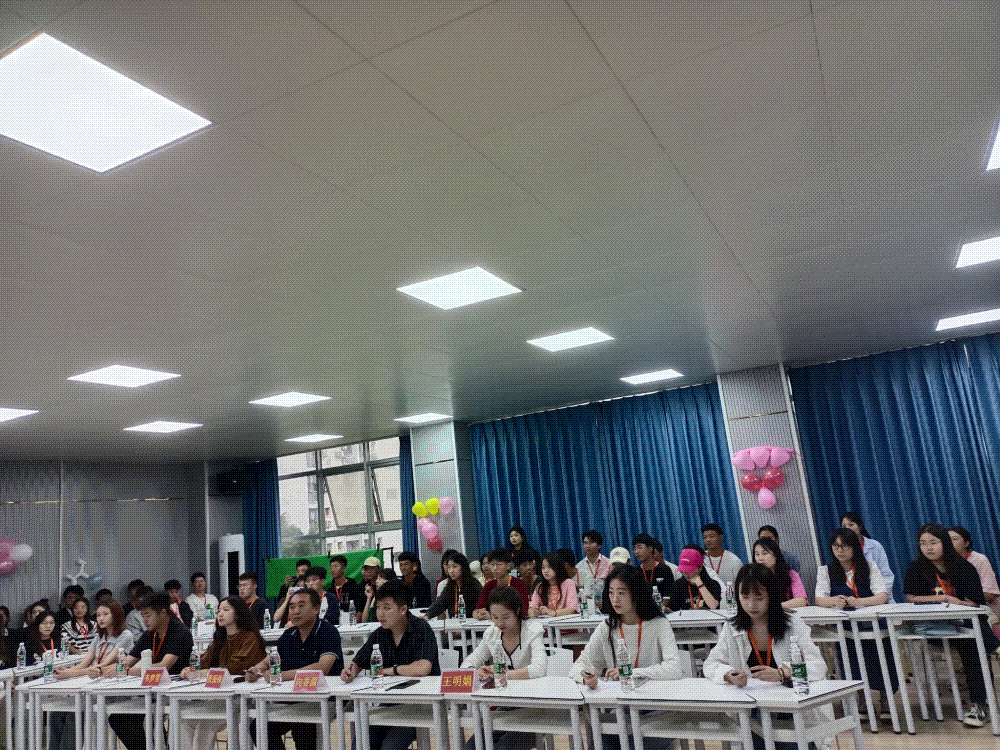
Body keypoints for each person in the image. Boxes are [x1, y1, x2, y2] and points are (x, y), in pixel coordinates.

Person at [704, 564, 829, 750]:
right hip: (752, 713)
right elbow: (711, 664)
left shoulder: (792, 623)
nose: (751, 605)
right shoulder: (732, 627)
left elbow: (818, 666)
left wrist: (783, 673)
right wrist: (728, 674)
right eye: (745, 597)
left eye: (759, 597)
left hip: (790, 712)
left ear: (771, 595)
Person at [569, 564, 683, 749]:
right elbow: (580, 664)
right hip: (622, 710)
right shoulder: (607, 627)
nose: (615, 599)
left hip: (657, 709)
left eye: (621, 593)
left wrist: (631, 673)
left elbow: (674, 668)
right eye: (611, 592)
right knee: (600, 738)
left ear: (636, 593)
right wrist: (585, 677)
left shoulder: (658, 624)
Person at [904, 523, 1000, 727]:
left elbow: (975, 603)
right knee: (975, 637)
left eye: (933, 542)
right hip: (932, 627)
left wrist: (960, 604)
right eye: (923, 543)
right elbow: (911, 597)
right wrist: (942, 598)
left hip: (962, 625)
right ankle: (995, 647)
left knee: (972, 641)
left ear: (945, 543)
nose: (928, 548)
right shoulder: (916, 567)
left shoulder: (964, 566)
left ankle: (980, 704)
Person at [342, 580, 441, 750]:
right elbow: (358, 661)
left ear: (403, 610)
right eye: (378, 607)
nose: (380, 614)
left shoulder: (421, 628)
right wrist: (350, 671)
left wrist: (391, 670)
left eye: (387, 608)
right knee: (361, 743)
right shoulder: (379, 634)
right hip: (390, 702)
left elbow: (423, 667)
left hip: (421, 703)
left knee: (390, 747)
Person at [246, 588, 342, 750]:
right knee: (259, 727)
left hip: (323, 698)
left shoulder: (328, 631)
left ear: (316, 609)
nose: (295, 611)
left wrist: (282, 675)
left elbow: (322, 668)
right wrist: (256, 670)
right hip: (294, 698)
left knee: (302, 727)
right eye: (292, 607)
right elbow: (268, 661)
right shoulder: (289, 634)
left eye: (301, 606)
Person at [815, 528, 897, 704]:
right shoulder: (825, 570)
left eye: (845, 546)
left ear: (854, 547)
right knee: (851, 661)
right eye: (835, 546)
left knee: (882, 659)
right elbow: (819, 599)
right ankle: (861, 699)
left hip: (873, 625)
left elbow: (882, 596)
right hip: (846, 628)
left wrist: (860, 602)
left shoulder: (869, 566)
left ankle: (885, 698)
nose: (840, 550)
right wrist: (835, 601)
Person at [461, 586, 548, 750]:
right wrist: (476, 671)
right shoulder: (492, 633)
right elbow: (468, 662)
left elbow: (539, 668)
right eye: (495, 617)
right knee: (471, 747)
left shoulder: (532, 630)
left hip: (534, 707)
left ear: (517, 611)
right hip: (506, 707)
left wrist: (501, 674)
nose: (500, 623)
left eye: (506, 617)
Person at [107, 592, 194, 750]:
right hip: (151, 691)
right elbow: (128, 661)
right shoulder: (150, 634)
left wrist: (126, 671)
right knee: (118, 718)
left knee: (151, 719)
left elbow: (163, 666)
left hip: (175, 691)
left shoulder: (180, 632)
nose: (144, 620)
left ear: (163, 613)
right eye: (142, 616)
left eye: (147, 615)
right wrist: (113, 668)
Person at [50, 600, 134, 750]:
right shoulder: (98, 637)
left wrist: (69, 674)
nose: (101, 618)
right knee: (57, 712)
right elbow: (84, 664)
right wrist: (67, 671)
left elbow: (103, 667)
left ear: (116, 615)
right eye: (98, 615)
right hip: (94, 684)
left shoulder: (125, 635)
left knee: (75, 713)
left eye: (105, 614)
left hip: (113, 687)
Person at [182, 596, 267, 679]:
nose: (220, 614)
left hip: (245, 682)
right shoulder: (221, 638)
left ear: (238, 613)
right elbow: (206, 660)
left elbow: (237, 666)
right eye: (218, 611)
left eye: (226, 610)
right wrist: (191, 669)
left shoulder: (250, 637)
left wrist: (208, 672)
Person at [841, 512, 895, 601]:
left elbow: (886, 575)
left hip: (878, 598)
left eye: (851, 525)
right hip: (854, 600)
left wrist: (878, 596)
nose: (848, 529)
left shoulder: (875, 546)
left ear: (860, 526)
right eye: (844, 526)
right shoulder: (840, 550)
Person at [948, 526, 1000, 616]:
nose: (949, 542)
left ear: (966, 543)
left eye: (954, 539)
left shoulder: (979, 559)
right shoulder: (942, 562)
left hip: (985, 606)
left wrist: (963, 597)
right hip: (954, 607)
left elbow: (991, 593)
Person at [424, 551, 482, 620]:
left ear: (463, 567)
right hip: (455, 623)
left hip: (472, 623)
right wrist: (427, 615)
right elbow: (440, 603)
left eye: (454, 567)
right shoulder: (450, 586)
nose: (451, 571)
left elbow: (479, 607)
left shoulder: (474, 585)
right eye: (449, 567)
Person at [752, 537, 807, 608]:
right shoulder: (753, 576)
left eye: (765, 553)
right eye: (757, 554)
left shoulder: (790, 573)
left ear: (776, 555)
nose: (760, 558)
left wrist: (774, 607)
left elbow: (801, 601)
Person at [475, 549, 530, 618]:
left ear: (508, 566)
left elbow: (524, 609)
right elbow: (477, 610)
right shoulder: (488, 586)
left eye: (499, 564)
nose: (495, 568)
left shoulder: (519, 584)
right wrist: (479, 614)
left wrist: (493, 615)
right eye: (492, 564)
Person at [669, 546, 721, 611]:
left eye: (689, 570)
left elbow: (713, 606)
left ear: (700, 567)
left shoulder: (712, 584)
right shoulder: (678, 585)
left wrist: (700, 584)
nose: (686, 573)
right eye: (683, 570)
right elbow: (673, 610)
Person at [528, 552, 579, 617]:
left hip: (566, 622)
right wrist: (534, 613)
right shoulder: (540, 586)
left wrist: (553, 613)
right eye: (543, 567)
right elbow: (532, 607)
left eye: (549, 567)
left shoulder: (568, 583)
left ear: (557, 567)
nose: (545, 571)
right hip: (547, 622)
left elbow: (572, 608)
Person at [632, 533, 674, 598]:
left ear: (650, 548)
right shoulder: (635, 572)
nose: (636, 552)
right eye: (634, 549)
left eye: (640, 547)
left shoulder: (664, 569)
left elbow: (669, 595)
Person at [577, 530, 612, 597]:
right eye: (585, 543)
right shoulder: (579, 567)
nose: (587, 546)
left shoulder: (609, 564)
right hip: (587, 601)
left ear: (599, 545)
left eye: (591, 543)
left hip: (606, 599)